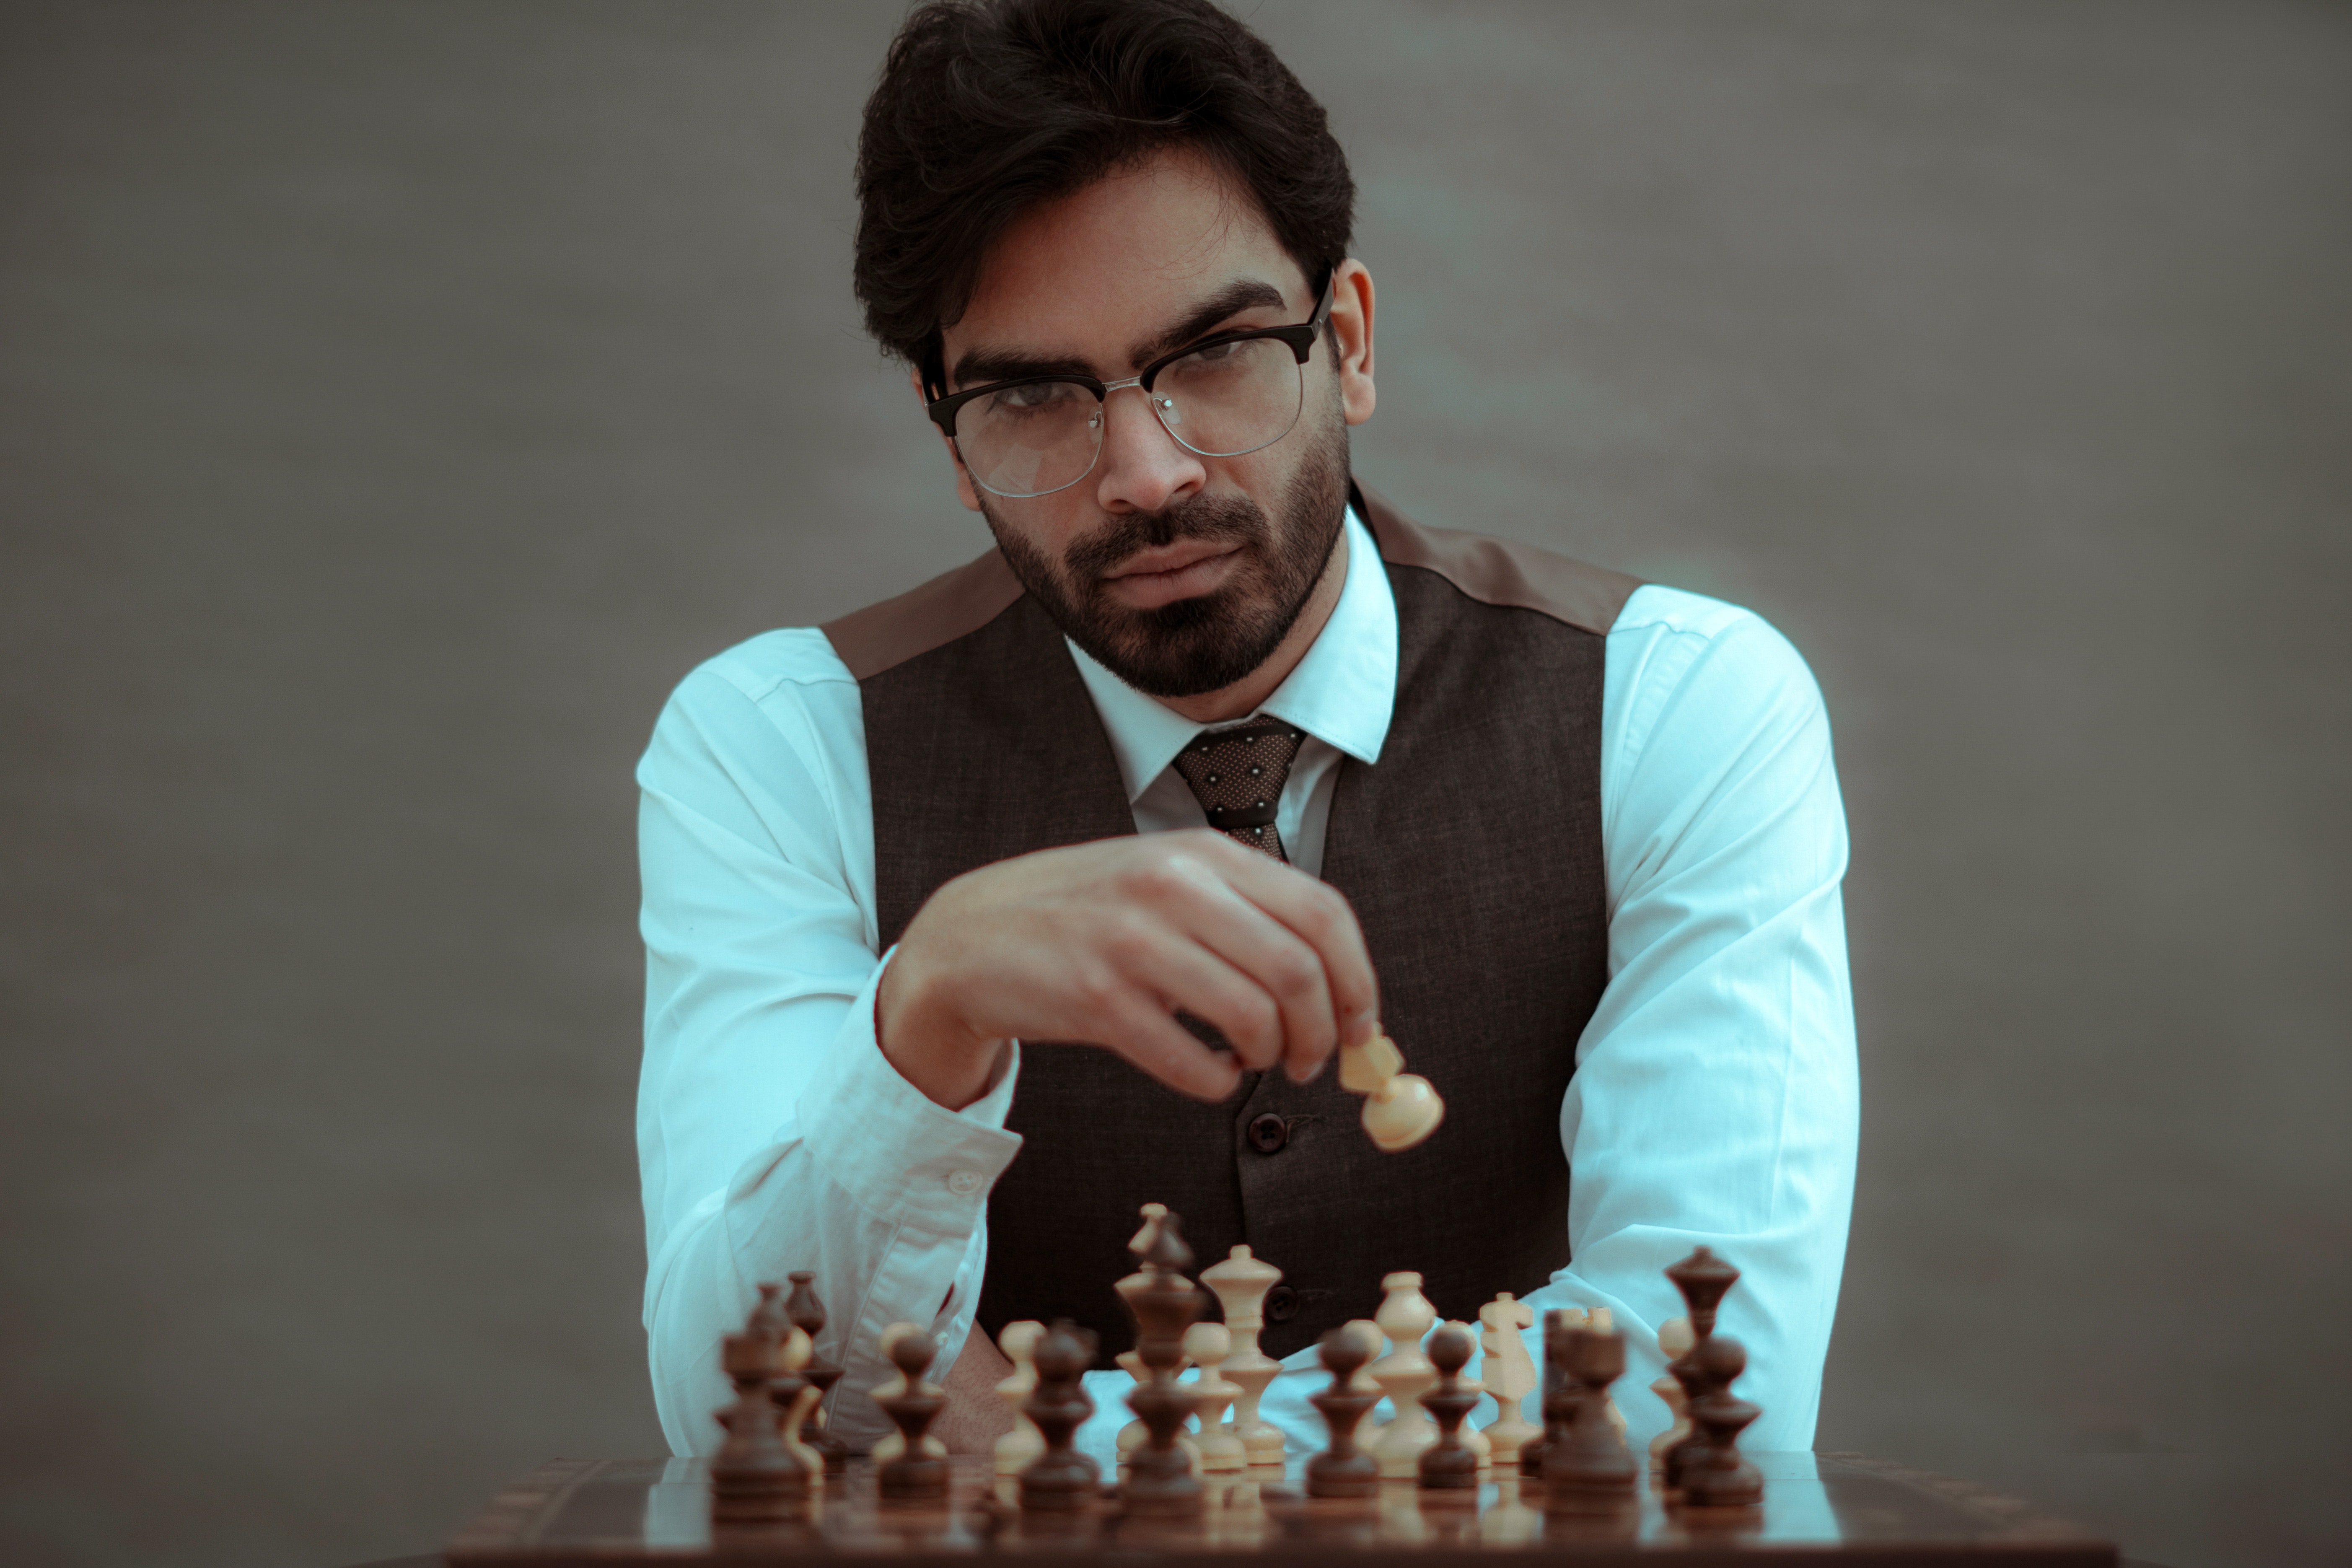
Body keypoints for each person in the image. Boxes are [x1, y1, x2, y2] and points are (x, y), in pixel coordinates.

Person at [637, 0, 1857, 1463]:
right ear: (948, 436)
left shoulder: (1680, 707)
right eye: (1034, 395)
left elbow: (1711, 1390)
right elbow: (730, 1417)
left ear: (1343, 343)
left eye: (1213, 355)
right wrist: (929, 1013)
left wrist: (1046, 1448)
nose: (1145, 473)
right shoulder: (780, 745)